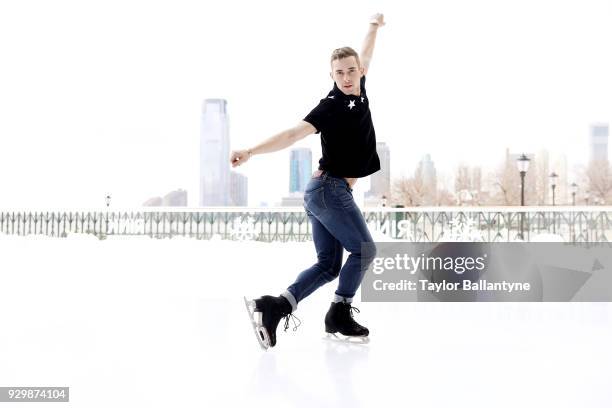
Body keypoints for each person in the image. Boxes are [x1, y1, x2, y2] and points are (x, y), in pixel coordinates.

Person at [232, 13, 385, 349]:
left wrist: (374, 26)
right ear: (331, 76)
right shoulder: (330, 106)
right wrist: (252, 151)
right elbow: (292, 133)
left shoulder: (360, 91)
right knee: (364, 249)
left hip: (325, 192)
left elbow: (368, 52)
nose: (346, 77)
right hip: (330, 190)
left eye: (351, 70)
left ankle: (273, 307)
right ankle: (339, 313)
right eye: (339, 73)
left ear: (359, 71)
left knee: (329, 265)